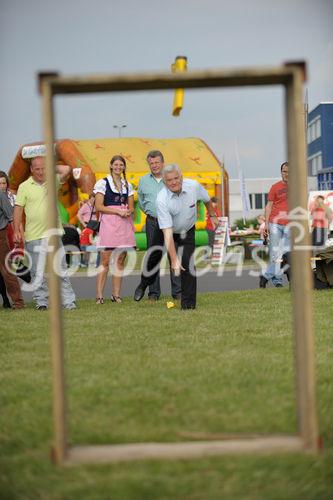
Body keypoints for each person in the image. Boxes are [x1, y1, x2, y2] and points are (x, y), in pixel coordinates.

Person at [134, 164, 218, 310]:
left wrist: (212, 215)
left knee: (188, 263)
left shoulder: (194, 186)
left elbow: (206, 200)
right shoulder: (162, 199)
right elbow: (167, 233)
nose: (173, 182)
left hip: (187, 230)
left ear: (181, 177)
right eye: (169, 180)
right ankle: (143, 283)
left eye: (176, 178)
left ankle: (188, 305)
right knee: (154, 257)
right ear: (165, 182)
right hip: (167, 231)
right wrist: (173, 261)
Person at [13, 156, 76, 310]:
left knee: (61, 270)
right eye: (38, 169)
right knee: (37, 273)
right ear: (31, 170)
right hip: (34, 236)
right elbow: (18, 209)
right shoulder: (24, 186)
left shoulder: (53, 180)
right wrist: (16, 230)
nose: (41, 172)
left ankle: (69, 303)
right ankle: (42, 302)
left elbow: (67, 169)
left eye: (43, 168)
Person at [137, 150, 181, 301]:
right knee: (153, 256)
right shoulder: (143, 181)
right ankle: (153, 293)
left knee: (173, 254)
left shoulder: (170, 179)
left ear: (163, 163)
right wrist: (152, 213)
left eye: (157, 162)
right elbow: (141, 202)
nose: (154, 165)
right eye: (151, 163)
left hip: (171, 222)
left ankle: (178, 292)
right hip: (152, 222)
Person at [94, 155, 135, 304]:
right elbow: (99, 206)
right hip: (109, 223)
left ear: (124, 167)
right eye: (115, 164)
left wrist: (127, 211)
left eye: (121, 165)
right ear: (111, 166)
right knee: (105, 260)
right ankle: (99, 296)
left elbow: (131, 207)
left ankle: (116, 295)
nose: (118, 167)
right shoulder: (102, 183)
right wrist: (117, 211)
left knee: (120, 260)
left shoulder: (127, 185)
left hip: (124, 223)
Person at [259, 162, 290, 288]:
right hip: (275, 223)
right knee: (274, 253)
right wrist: (266, 224)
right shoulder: (275, 187)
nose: (286, 174)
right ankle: (277, 281)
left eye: (289, 172)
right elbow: (269, 206)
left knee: (287, 253)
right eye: (284, 171)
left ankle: (266, 276)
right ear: (281, 172)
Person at [0, 180, 25, 309]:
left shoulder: (1, 195)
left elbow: (11, 215)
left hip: (1, 235)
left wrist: (17, 233)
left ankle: (18, 302)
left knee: (6, 270)